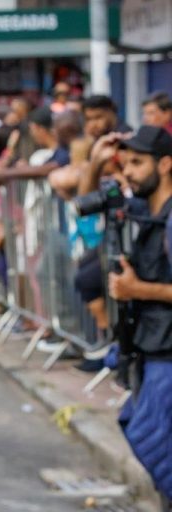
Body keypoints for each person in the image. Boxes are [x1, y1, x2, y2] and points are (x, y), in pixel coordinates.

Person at [107, 126, 172, 503]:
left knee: (154, 439)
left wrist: (137, 290)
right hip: (152, 347)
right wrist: (97, 160)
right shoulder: (148, 210)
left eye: (137, 162)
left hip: (167, 354)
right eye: (124, 163)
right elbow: (84, 199)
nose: (127, 172)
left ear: (164, 165)